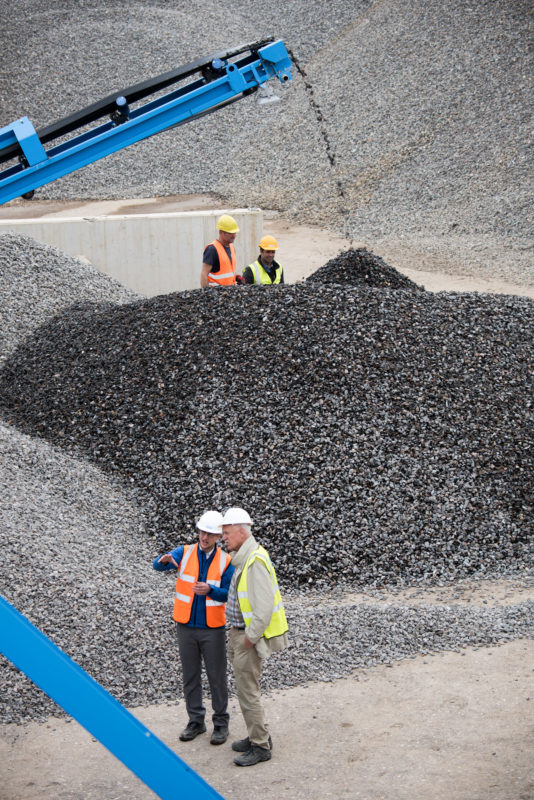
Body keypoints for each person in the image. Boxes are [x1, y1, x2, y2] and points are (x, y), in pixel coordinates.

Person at [153, 510, 235, 745]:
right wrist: (164, 560)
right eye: (202, 532)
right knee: (190, 676)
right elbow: (158, 565)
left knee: (216, 677)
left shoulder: (226, 561)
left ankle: (221, 724)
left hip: (212, 629)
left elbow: (229, 594)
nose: (204, 537)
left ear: (218, 536)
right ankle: (196, 722)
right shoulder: (185, 552)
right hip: (186, 626)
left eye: (209, 534)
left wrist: (211, 591)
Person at [221, 507, 289, 767]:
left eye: (227, 533)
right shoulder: (244, 558)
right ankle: (255, 735)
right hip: (238, 634)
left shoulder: (255, 561)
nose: (224, 538)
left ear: (241, 531)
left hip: (246, 638)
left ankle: (260, 746)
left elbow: (262, 609)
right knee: (245, 689)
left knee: (248, 691)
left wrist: (249, 639)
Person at [200, 214, 240, 287]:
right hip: (216, 295)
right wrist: (206, 295)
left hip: (230, 294)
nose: (234, 235)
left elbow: (226, 272)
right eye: (230, 233)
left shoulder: (232, 248)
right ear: (221, 232)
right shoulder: (212, 249)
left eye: (234, 232)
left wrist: (235, 277)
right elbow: (204, 274)